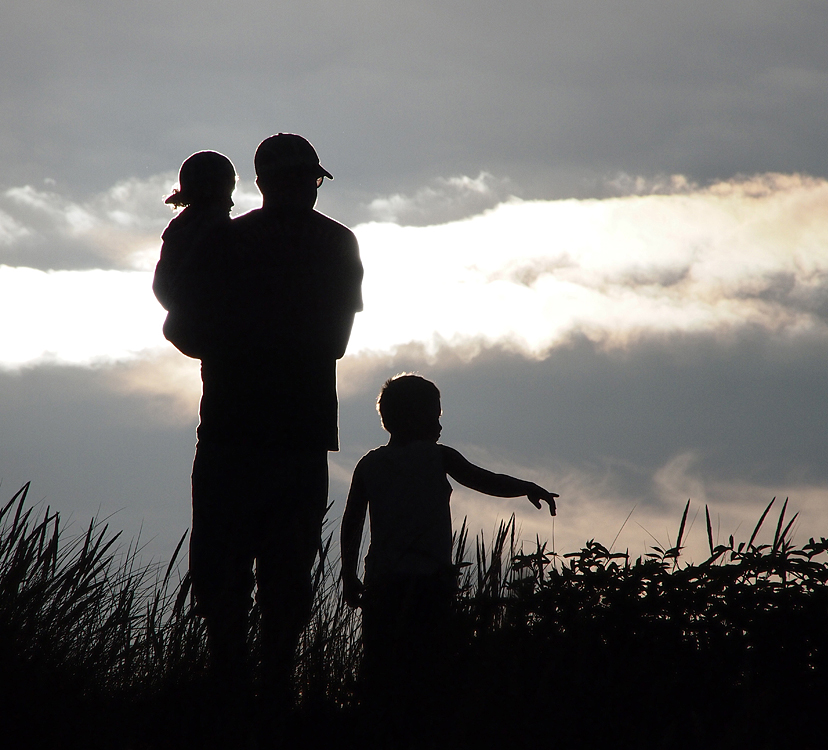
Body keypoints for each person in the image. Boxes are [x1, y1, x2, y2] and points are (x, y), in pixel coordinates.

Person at [184, 134, 364, 728]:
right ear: (265, 183)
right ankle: (255, 700)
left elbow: (182, 327)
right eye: (298, 180)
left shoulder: (229, 239)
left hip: (255, 431)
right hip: (282, 432)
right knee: (267, 575)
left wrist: (234, 344)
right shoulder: (335, 243)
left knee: (251, 574)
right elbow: (335, 339)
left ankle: (244, 700)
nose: (303, 190)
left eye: (307, 181)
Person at [340, 374, 558, 747]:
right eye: (434, 414)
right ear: (414, 415)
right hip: (429, 583)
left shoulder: (369, 464)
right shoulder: (438, 456)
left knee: (383, 671)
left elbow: (351, 521)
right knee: (428, 669)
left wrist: (348, 572)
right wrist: (525, 487)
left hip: (383, 584)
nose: (440, 424)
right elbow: (483, 479)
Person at [153, 150, 237, 358]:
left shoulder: (177, 232)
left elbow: (160, 287)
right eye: (225, 190)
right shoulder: (218, 232)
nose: (230, 203)